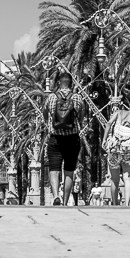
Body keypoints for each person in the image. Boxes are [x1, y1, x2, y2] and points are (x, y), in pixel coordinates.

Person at [44, 72, 86, 206]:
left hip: (55, 138)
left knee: (54, 170)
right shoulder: (77, 98)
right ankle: (66, 201)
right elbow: (81, 117)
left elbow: (45, 113)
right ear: (71, 83)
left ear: (58, 83)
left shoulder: (51, 98)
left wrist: (49, 124)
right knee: (69, 170)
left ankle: (56, 196)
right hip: (72, 139)